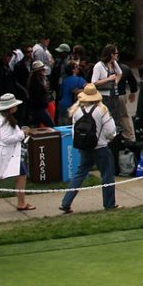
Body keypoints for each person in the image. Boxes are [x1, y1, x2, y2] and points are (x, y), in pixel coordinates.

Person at [59, 82, 118, 213]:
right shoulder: (102, 110)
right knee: (107, 175)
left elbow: (74, 131)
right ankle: (109, 204)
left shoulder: (76, 111)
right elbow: (110, 130)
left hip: (84, 147)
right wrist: (109, 138)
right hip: (101, 147)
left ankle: (66, 202)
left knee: (80, 174)